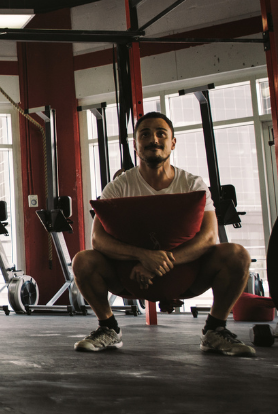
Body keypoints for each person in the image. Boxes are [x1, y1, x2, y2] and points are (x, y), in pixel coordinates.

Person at [71, 111, 254, 356]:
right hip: (131, 278)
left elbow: (210, 237)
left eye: (161, 134)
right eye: (144, 134)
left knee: (237, 255)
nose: (153, 139)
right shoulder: (119, 186)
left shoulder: (193, 184)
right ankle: (108, 328)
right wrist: (143, 256)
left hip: (187, 275)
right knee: (83, 260)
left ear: (173, 142)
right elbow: (98, 240)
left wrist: (157, 263)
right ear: (136, 145)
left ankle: (215, 330)